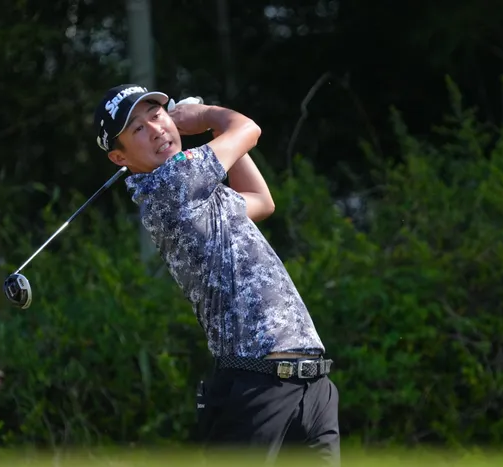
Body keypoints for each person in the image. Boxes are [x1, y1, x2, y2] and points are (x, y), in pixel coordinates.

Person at [93, 84, 340, 466]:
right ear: (119, 157)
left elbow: (262, 202)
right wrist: (206, 115)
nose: (156, 129)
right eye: (138, 128)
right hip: (256, 382)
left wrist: (214, 131)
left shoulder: (196, 194)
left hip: (310, 384)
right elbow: (249, 129)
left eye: (157, 115)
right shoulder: (174, 184)